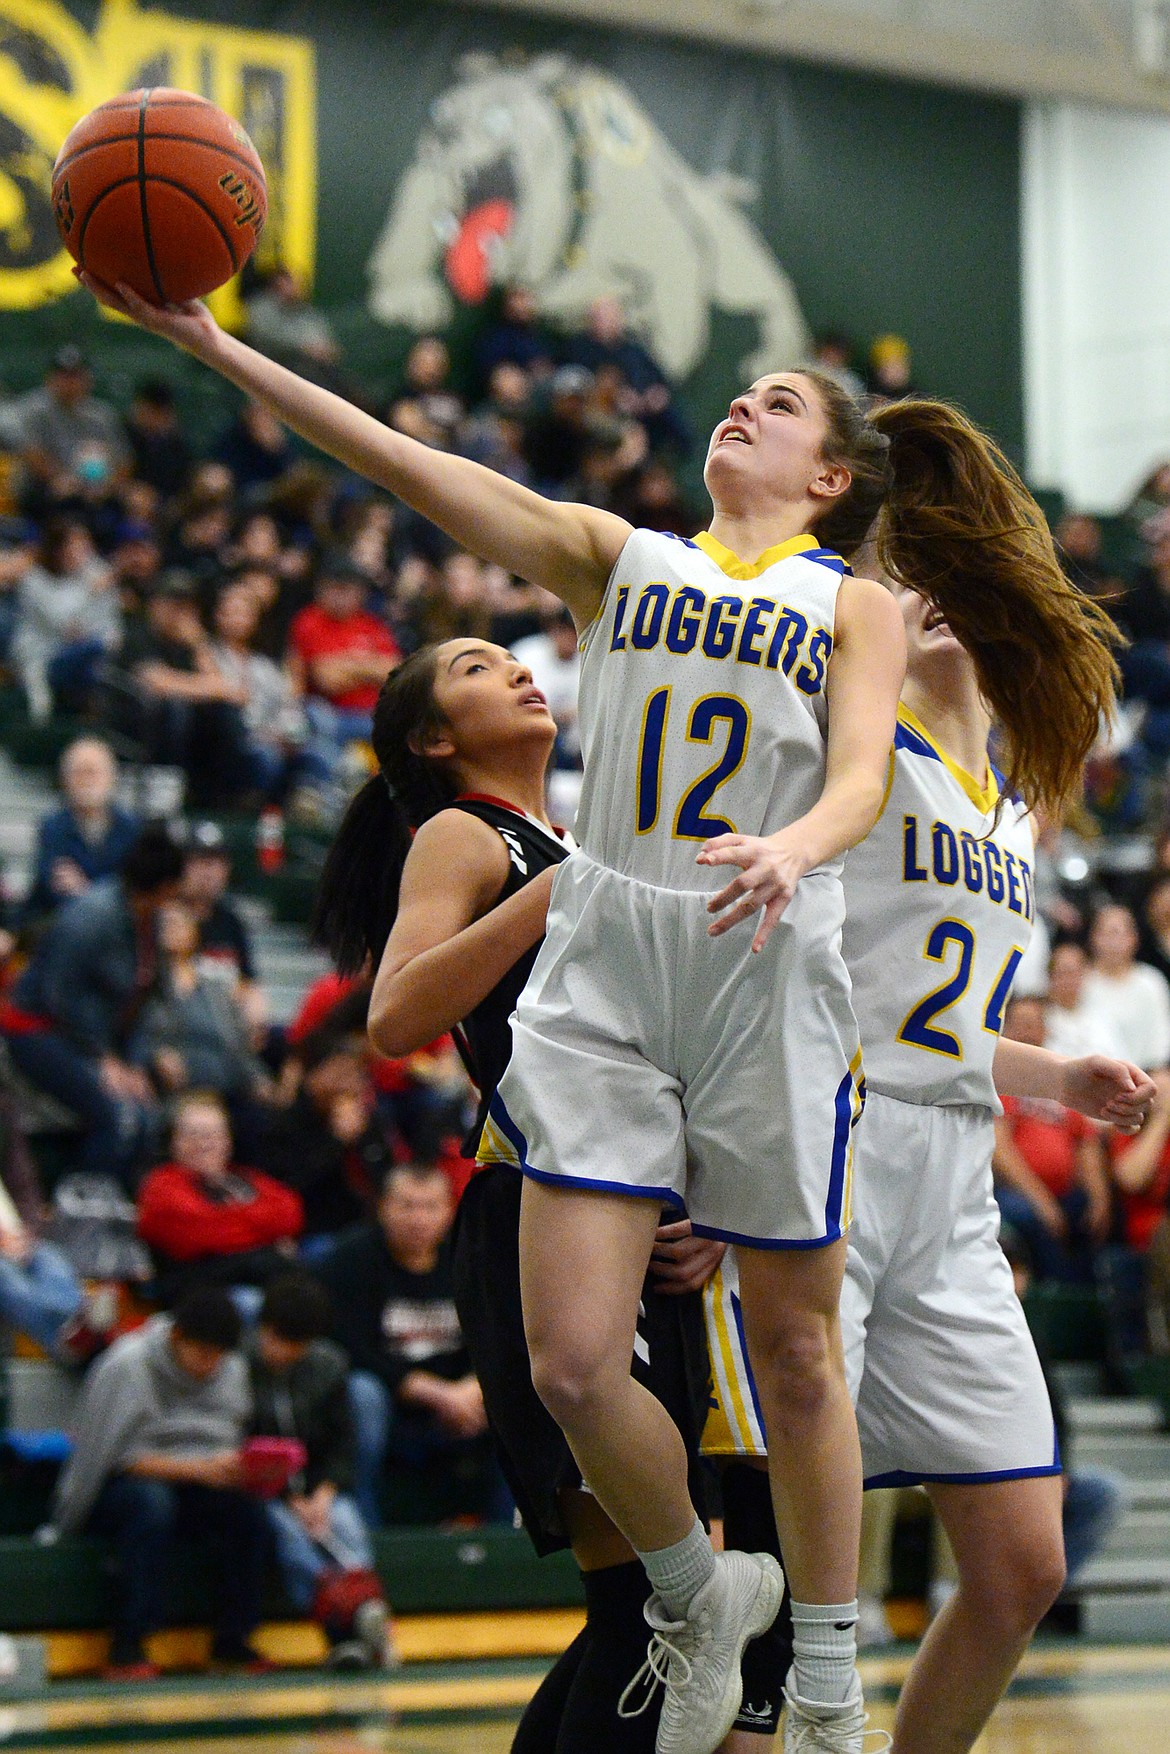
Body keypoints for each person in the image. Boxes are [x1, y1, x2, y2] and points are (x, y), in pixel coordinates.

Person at [78, 272, 913, 1754]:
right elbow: (408, 462)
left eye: (778, 403)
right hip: (609, 956)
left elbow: (858, 771)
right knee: (570, 1364)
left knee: (794, 1350)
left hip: (762, 943)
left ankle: (834, 1679)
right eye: (742, 391)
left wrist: (799, 841)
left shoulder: (850, 601)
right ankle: (691, 1590)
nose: (744, 401)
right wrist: (213, 346)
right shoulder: (623, 556)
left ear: (827, 477)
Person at [704, 402, 1149, 1754]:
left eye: (946, 581)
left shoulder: (1011, 800)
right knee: (774, 1593)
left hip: (951, 1171)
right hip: (824, 1140)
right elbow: (752, 954)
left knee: (1019, 1561)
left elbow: (933, 1019)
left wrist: (1052, 1072)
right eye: (903, 582)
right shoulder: (850, 754)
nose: (924, 601)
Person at [312, 637, 716, 1752]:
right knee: (652, 1608)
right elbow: (395, 1018)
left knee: (652, 1615)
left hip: (635, 1215)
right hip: (542, 1211)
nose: (523, 672)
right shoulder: (464, 832)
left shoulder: (571, 840)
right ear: (435, 738)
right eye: (483, 667)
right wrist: (554, 896)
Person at [47, 1286, 269, 1678]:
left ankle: (233, 1641)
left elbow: (227, 1435)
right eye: (203, 1353)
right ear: (176, 1338)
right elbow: (109, 1457)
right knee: (151, 1505)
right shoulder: (126, 1365)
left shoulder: (231, 1368)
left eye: (220, 1355)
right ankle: (127, 1646)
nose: (211, 1365)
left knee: (247, 1513)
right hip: (118, 1488)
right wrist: (196, 1469)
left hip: (196, 1484)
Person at [1, 825, 186, 1186]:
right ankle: (83, 1208)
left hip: (101, 1038)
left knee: (148, 1117)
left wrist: (133, 1063)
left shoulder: (153, 920)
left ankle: (122, 1209)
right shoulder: (89, 916)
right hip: (40, 1030)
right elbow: (60, 998)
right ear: (164, 887)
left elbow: (148, 999)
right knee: (120, 1119)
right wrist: (101, 1058)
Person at [247, 1272, 394, 1668]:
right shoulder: (239, 1366)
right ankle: (341, 1629)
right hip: (264, 1492)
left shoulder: (328, 1364)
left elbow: (343, 1443)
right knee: (291, 1538)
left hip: (319, 1487)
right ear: (263, 1329)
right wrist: (288, 1497)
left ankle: (368, 1616)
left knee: (346, 1525)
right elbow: (239, 1442)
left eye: (299, 1345)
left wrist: (325, 1493)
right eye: (280, 1341)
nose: (287, 1353)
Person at [136, 1089, 300, 1305]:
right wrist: (266, 1236)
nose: (204, 1144)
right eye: (192, 1134)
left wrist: (228, 1220)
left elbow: (290, 1212)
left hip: (256, 1277)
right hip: (197, 1291)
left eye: (213, 1134)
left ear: (228, 1141)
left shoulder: (243, 1176)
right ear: (173, 1141)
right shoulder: (162, 1183)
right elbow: (201, 1235)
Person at [992, 996, 1113, 1283]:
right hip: (1014, 1194)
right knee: (1027, 1217)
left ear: (1046, 1030)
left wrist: (1100, 1199)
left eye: (1034, 1025)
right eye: (1019, 1025)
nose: (1027, 1032)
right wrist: (1042, 1203)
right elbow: (1000, 1150)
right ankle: (1046, 1304)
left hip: (1064, 1195)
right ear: (1004, 1030)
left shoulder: (1061, 1079)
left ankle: (1083, 1313)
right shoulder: (998, 1080)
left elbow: (1086, 1143)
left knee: (1093, 1217)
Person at [22, 738, 141, 924]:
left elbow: (133, 889)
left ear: (112, 776)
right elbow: (53, 885)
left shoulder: (132, 828)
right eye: (78, 773)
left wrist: (86, 891)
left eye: (92, 772)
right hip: (68, 924)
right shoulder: (53, 827)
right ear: (64, 780)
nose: (85, 781)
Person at [1083, 903, 1170, 1072]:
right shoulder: (1081, 982)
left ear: (1134, 938)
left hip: (1146, 1073)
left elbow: (1160, 1040)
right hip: (1091, 1075)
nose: (1113, 942)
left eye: (1119, 933)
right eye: (1106, 933)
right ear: (1092, 937)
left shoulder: (1151, 982)